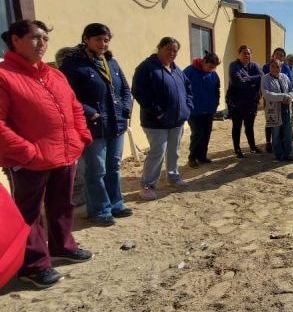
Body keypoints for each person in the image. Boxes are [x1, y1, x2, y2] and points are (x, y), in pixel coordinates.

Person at [0, 20, 93, 288]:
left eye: (45, 38)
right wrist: (27, 152)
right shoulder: (5, 75)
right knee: (28, 214)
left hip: (64, 154)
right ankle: (34, 265)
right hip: (28, 161)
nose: (42, 43)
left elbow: (74, 107)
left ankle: (62, 247)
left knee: (62, 205)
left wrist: (80, 136)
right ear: (15, 40)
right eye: (34, 38)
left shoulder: (55, 75)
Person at [59, 23, 133, 226]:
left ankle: (116, 204)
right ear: (86, 39)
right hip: (94, 127)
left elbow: (125, 89)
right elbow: (67, 95)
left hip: (115, 124)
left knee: (113, 167)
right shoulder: (73, 64)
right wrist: (90, 112)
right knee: (96, 170)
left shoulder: (111, 62)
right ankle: (100, 211)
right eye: (98, 39)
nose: (103, 43)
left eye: (106, 39)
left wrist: (126, 107)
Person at [132, 37, 194, 200]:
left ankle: (173, 177)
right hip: (155, 122)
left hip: (177, 120)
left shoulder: (176, 69)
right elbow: (139, 92)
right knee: (157, 152)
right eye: (168, 49)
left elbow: (188, 89)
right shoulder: (147, 68)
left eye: (175, 51)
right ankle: (147, 185)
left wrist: (188, 107)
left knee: (174, 150)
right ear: (159, 48)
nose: (172, 53)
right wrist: (158, 112)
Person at [183, 52, 221, 168]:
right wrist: (186, 106)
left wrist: (215, 103)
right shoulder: (190, 71)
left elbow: (216, 89)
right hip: (194, 110)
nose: (211, 69)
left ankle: (202, 156)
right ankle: (192, 157)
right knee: (197, 134)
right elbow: (182, 89)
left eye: (214, 67)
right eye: (210, 66)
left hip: (209, 109)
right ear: (204, 62)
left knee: (206, 133)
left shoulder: (213, 74)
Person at [226, 45, 263, 158]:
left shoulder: (254, 65)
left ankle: (252, 146)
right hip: (237, 102)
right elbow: (237, 81)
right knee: (237, 126)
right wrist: (253, 83)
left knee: (249, 126)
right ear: (239, 54)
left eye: (248, 53)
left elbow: (262, 77)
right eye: (244, 53)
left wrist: (248, 79)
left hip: (251, 102)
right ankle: (237, 149)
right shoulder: (234, 65)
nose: (246, 55)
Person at [261, 58, 293, 162]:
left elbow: (292, 88)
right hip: (274, 111)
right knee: (275, 135)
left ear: (281, 67)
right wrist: (283, 97)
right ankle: (279, 155)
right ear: (269, 67)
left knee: (288, 134)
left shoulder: (284, 77)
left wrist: (290, 96)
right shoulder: (265, 79)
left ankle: (287, 154)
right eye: (273, 66)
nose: (276, 68)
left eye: (278, 66)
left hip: (286, 110)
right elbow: (267, 94)